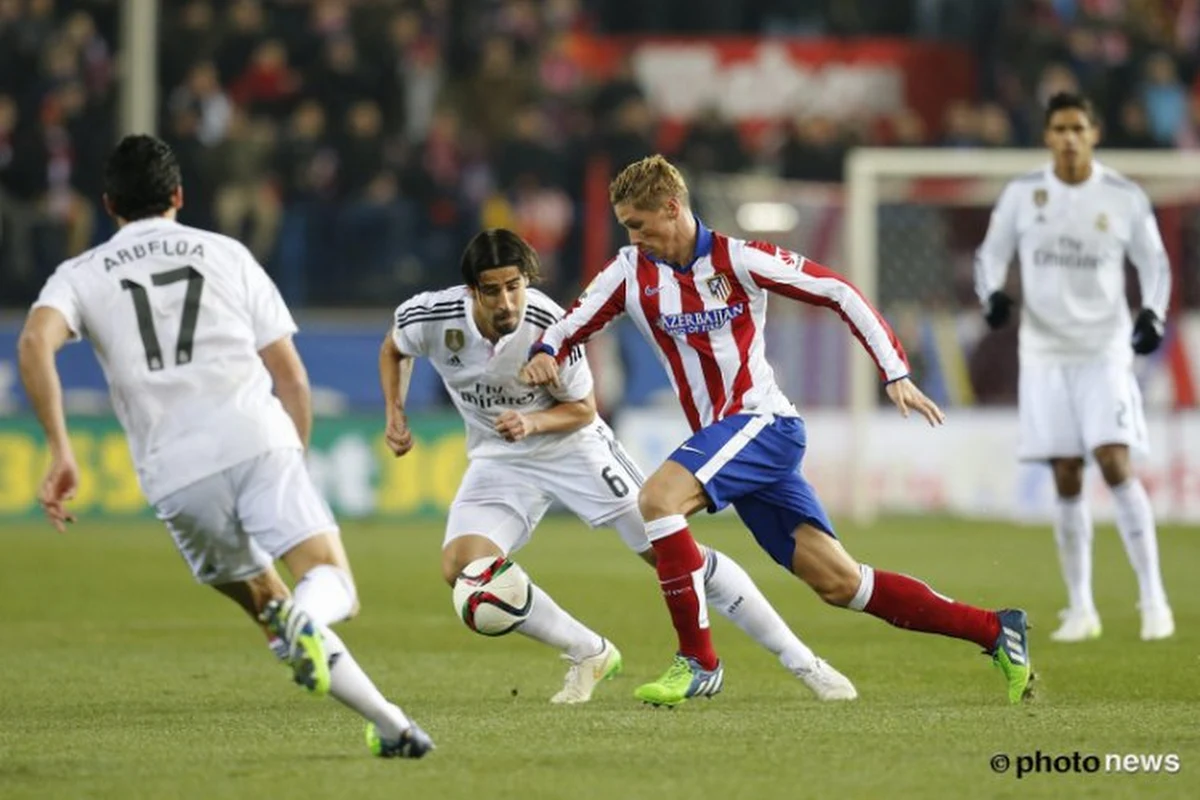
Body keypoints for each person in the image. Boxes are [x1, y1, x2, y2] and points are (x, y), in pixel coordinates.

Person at [521, 154, 1033, 707]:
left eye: (639, 223)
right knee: (841, 584)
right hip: (733, 442)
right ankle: (995, 629)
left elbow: (838, 291)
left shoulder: (739, 260)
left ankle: (698, 662)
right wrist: (546, 351)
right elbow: (569, 325)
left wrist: (895, 371)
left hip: (763, 423)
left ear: (672, 208)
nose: (633, 236)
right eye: (627, 226)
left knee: (658, 500)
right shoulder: (628, 272)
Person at [16, 134, 433, 758]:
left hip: (175, 475)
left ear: (108, 204)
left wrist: (61, 449)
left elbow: (32, 343)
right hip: (254, 435)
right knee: (328, 585)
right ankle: (313, 625)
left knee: (274, 608)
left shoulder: (79, 275)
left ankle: (394, 727)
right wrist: (289, 456)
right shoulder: (226, 253)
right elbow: (291, 376)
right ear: (179, 196)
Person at [379, 227, 856, 706]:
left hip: (574, 448)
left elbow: (584, 408)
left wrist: (531, 420)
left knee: (669, 553)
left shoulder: (549, 323)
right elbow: (394, 349)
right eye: (492, 290)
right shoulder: (431, 316)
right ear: (471, 291)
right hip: (499, 458)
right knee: (463, 567)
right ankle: (589, 651)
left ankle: (802, 661)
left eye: (515, 286)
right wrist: (395, 413)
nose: (507, 302)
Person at [975, 92, 1174, 643]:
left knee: (1113, 460)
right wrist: (991, 294)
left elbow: (1153, 263)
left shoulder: (1123, 196)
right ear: (1046, 136)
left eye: (1077, 128)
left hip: (1104, 350)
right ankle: (1081, 607)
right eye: (1059, 128)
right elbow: (989, 255)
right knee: (1066, 472)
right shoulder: (1023, 194)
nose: (1068, 137)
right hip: (1043, 354)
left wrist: (1153, 314)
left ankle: (1153, 599)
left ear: (1094, 133)